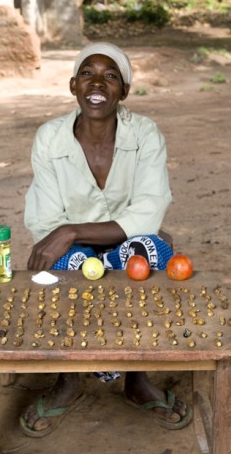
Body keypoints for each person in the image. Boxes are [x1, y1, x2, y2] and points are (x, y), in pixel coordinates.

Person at [19, 42, 191, 437]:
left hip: (121, 241)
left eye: (110, 76)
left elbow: (149, 212)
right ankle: (70, 378)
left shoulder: (145, 134)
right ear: (73, 85)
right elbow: (46, 218)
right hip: (71, 249)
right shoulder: (50, 138)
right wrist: (67, 237)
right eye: (87, 74)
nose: (97, 83)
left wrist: (74, 230)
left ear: (124, 91)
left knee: (151, 257)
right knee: (60, 269)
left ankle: (135, 377)